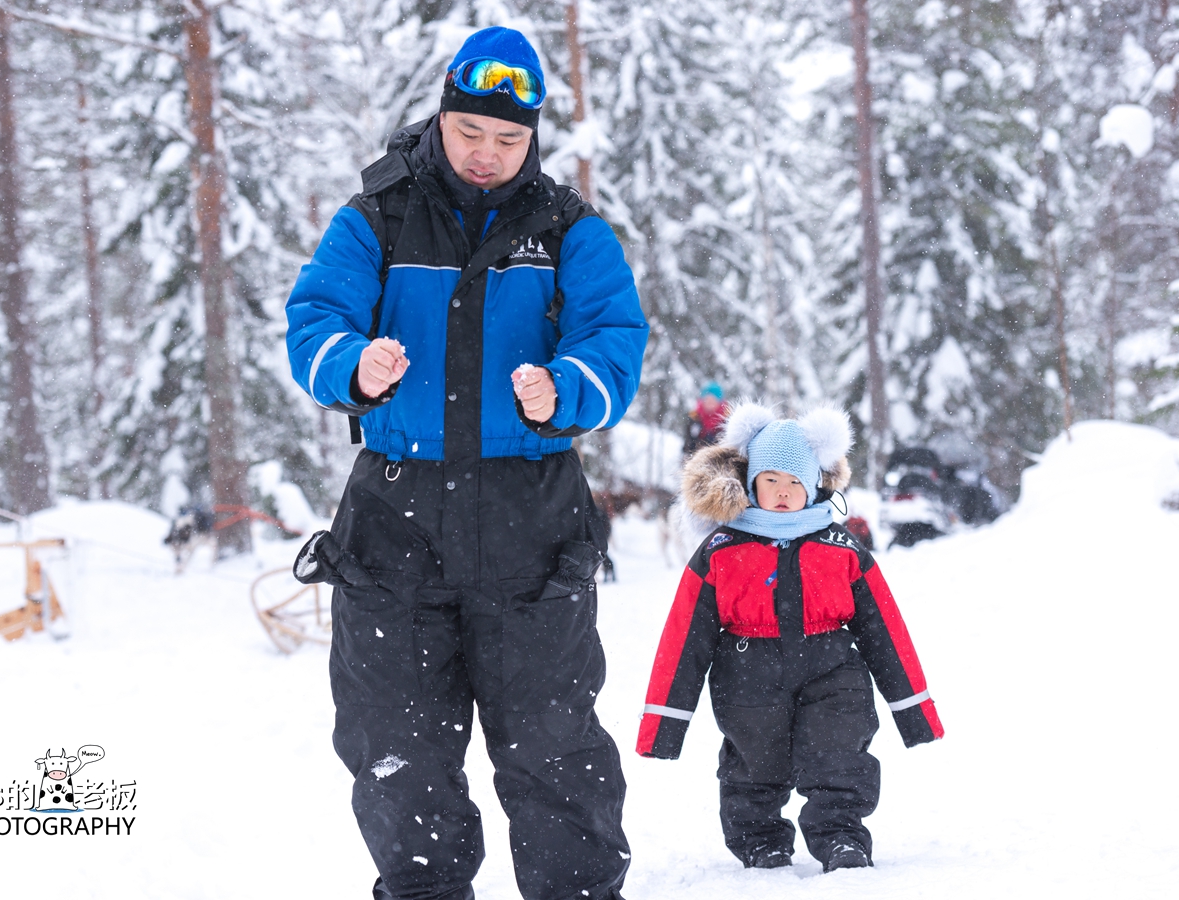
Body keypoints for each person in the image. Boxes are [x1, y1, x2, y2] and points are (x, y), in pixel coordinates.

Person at [285, 26, 647, 900]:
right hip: (393, 521)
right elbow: (316, 318)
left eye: (509, 139)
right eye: (470, 133)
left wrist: (565, 389)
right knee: (395, 746)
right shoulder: (374, 215)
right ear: (442, 117)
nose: (488, 155)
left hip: (532, 517)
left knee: (551, 740)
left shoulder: (569, 231)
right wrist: (349, 366)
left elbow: (614, 340)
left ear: (533, 139)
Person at [636, 403, 943, 873]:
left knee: (838, 754)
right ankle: (760, 841)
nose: (782, 493)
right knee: (755, 765)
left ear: (814, 486)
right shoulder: (722, 549)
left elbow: (884, 629)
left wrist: (914, 712)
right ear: (751, 483)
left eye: (795, 483)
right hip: (746, 677)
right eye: (771, 480)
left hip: (833, 670)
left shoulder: (840, 547)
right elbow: (685, 638)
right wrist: (663, 724)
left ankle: (841, 837)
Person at [683, 382, 729, 454]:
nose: (709, 402)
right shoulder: (694, 418)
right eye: (707, 399)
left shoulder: (726, 420)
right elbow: (688, 445)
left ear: (719, 402)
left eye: (713, 399)